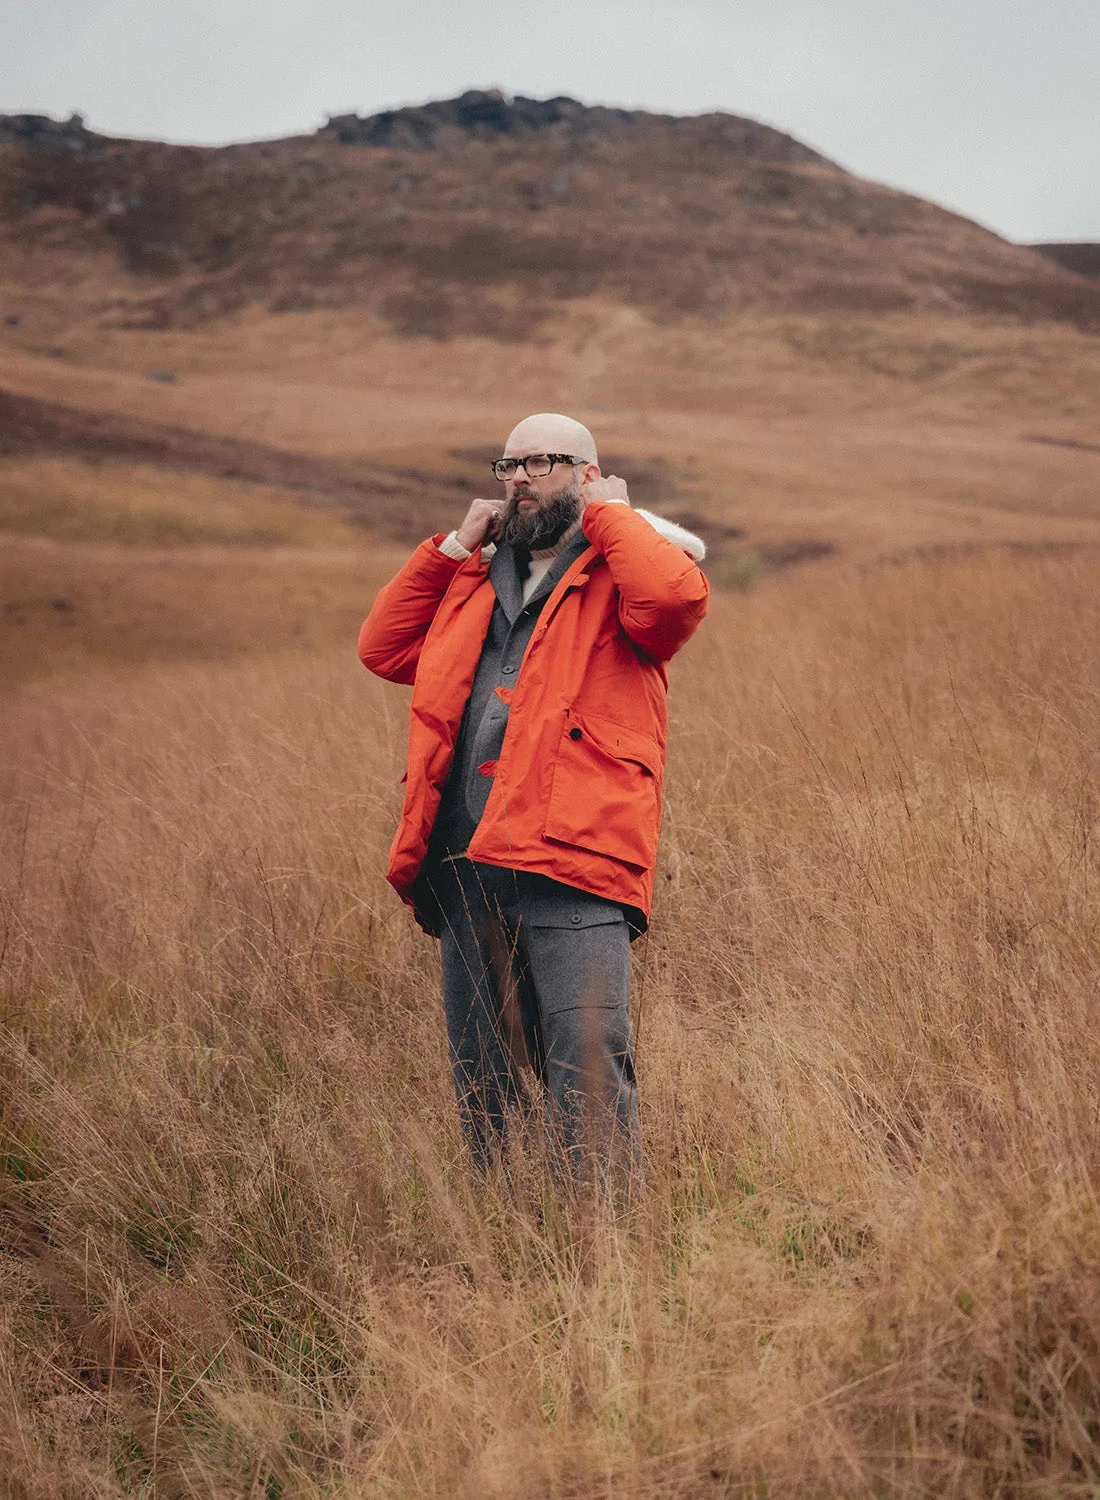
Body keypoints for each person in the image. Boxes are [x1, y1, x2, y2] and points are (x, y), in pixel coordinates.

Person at [358, 412, 708, 1186]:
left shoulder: (625, 565)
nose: (518, 478)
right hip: (465, 866)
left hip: (574, 865)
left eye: (541, 463)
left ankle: (602, 1261)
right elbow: (382, 648)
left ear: (586, 474)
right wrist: (453, 546)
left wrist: (611, 515)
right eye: (507, 465)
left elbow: (675, 608)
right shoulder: (476, 573)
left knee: (586, 1067)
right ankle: (512, 1248)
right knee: (487, 1080)